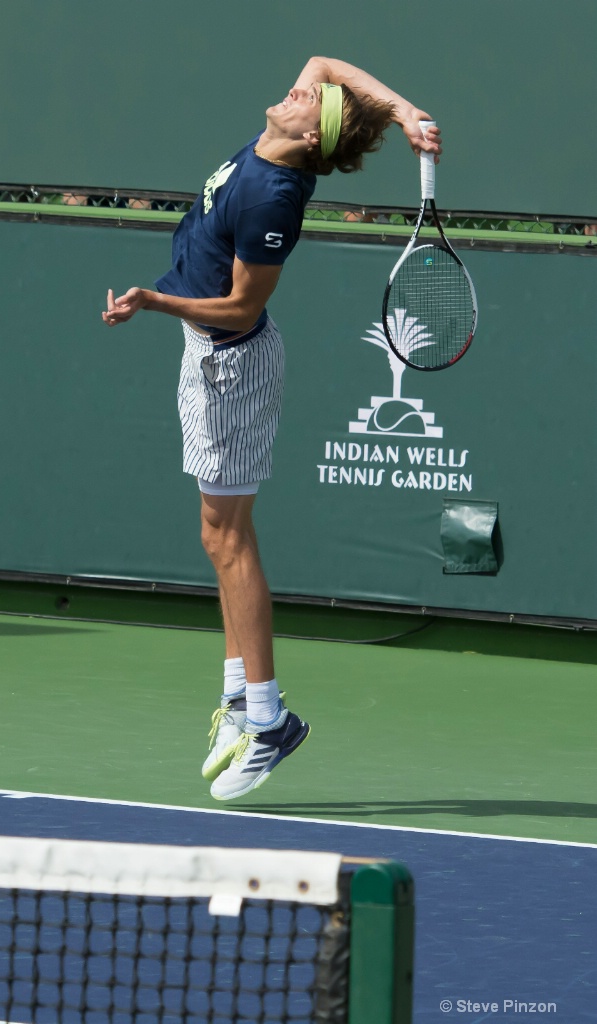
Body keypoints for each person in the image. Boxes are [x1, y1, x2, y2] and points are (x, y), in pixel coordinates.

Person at [102, 55, 442, 801]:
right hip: (209, 358)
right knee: (219, 534)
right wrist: (404, 109)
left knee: (227, 538)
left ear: (307, 134)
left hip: (230, 365)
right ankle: (238, 700)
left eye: (303, 100)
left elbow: (240, 309)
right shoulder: (276, 146)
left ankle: (268, 717)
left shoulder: (271, 197)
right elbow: (327, 61)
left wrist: (154, 303)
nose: (296, 86)